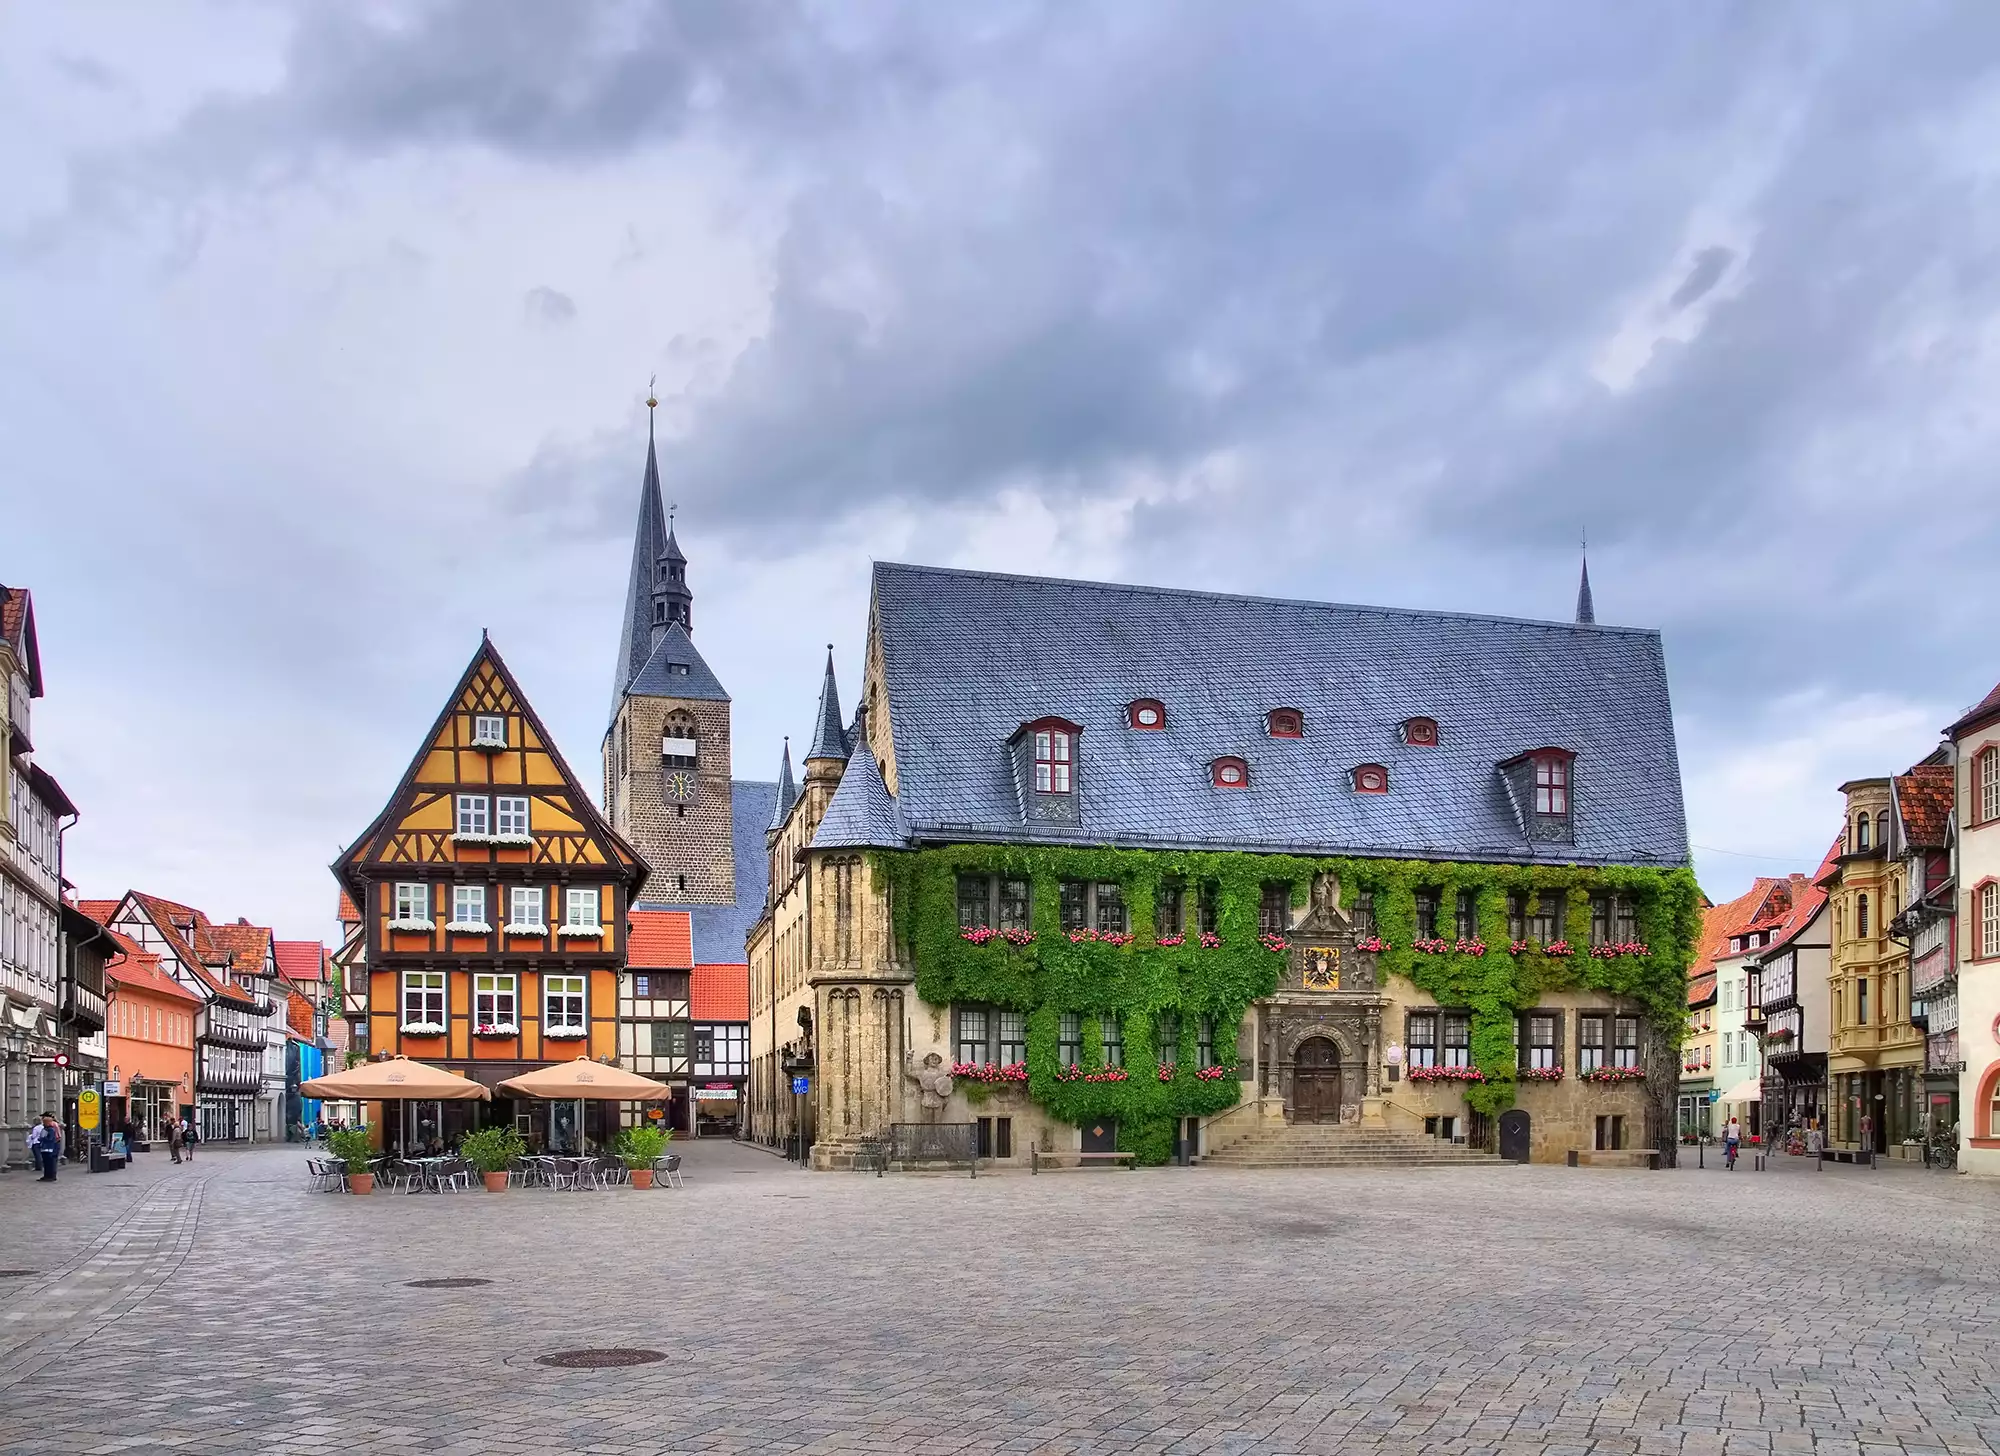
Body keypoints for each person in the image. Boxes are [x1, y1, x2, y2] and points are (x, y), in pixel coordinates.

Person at [27, 1113, 63, 1181]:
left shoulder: (50, 1129)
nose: (43, 1123)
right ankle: (47, 1175)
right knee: (47, 1162)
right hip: (45, 1147)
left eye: (44, 1122)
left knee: (50, 1162)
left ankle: (50, 1176)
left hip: (49, 1147)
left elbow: (50, 1138)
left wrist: (42, 1138)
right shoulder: (46, 1128)